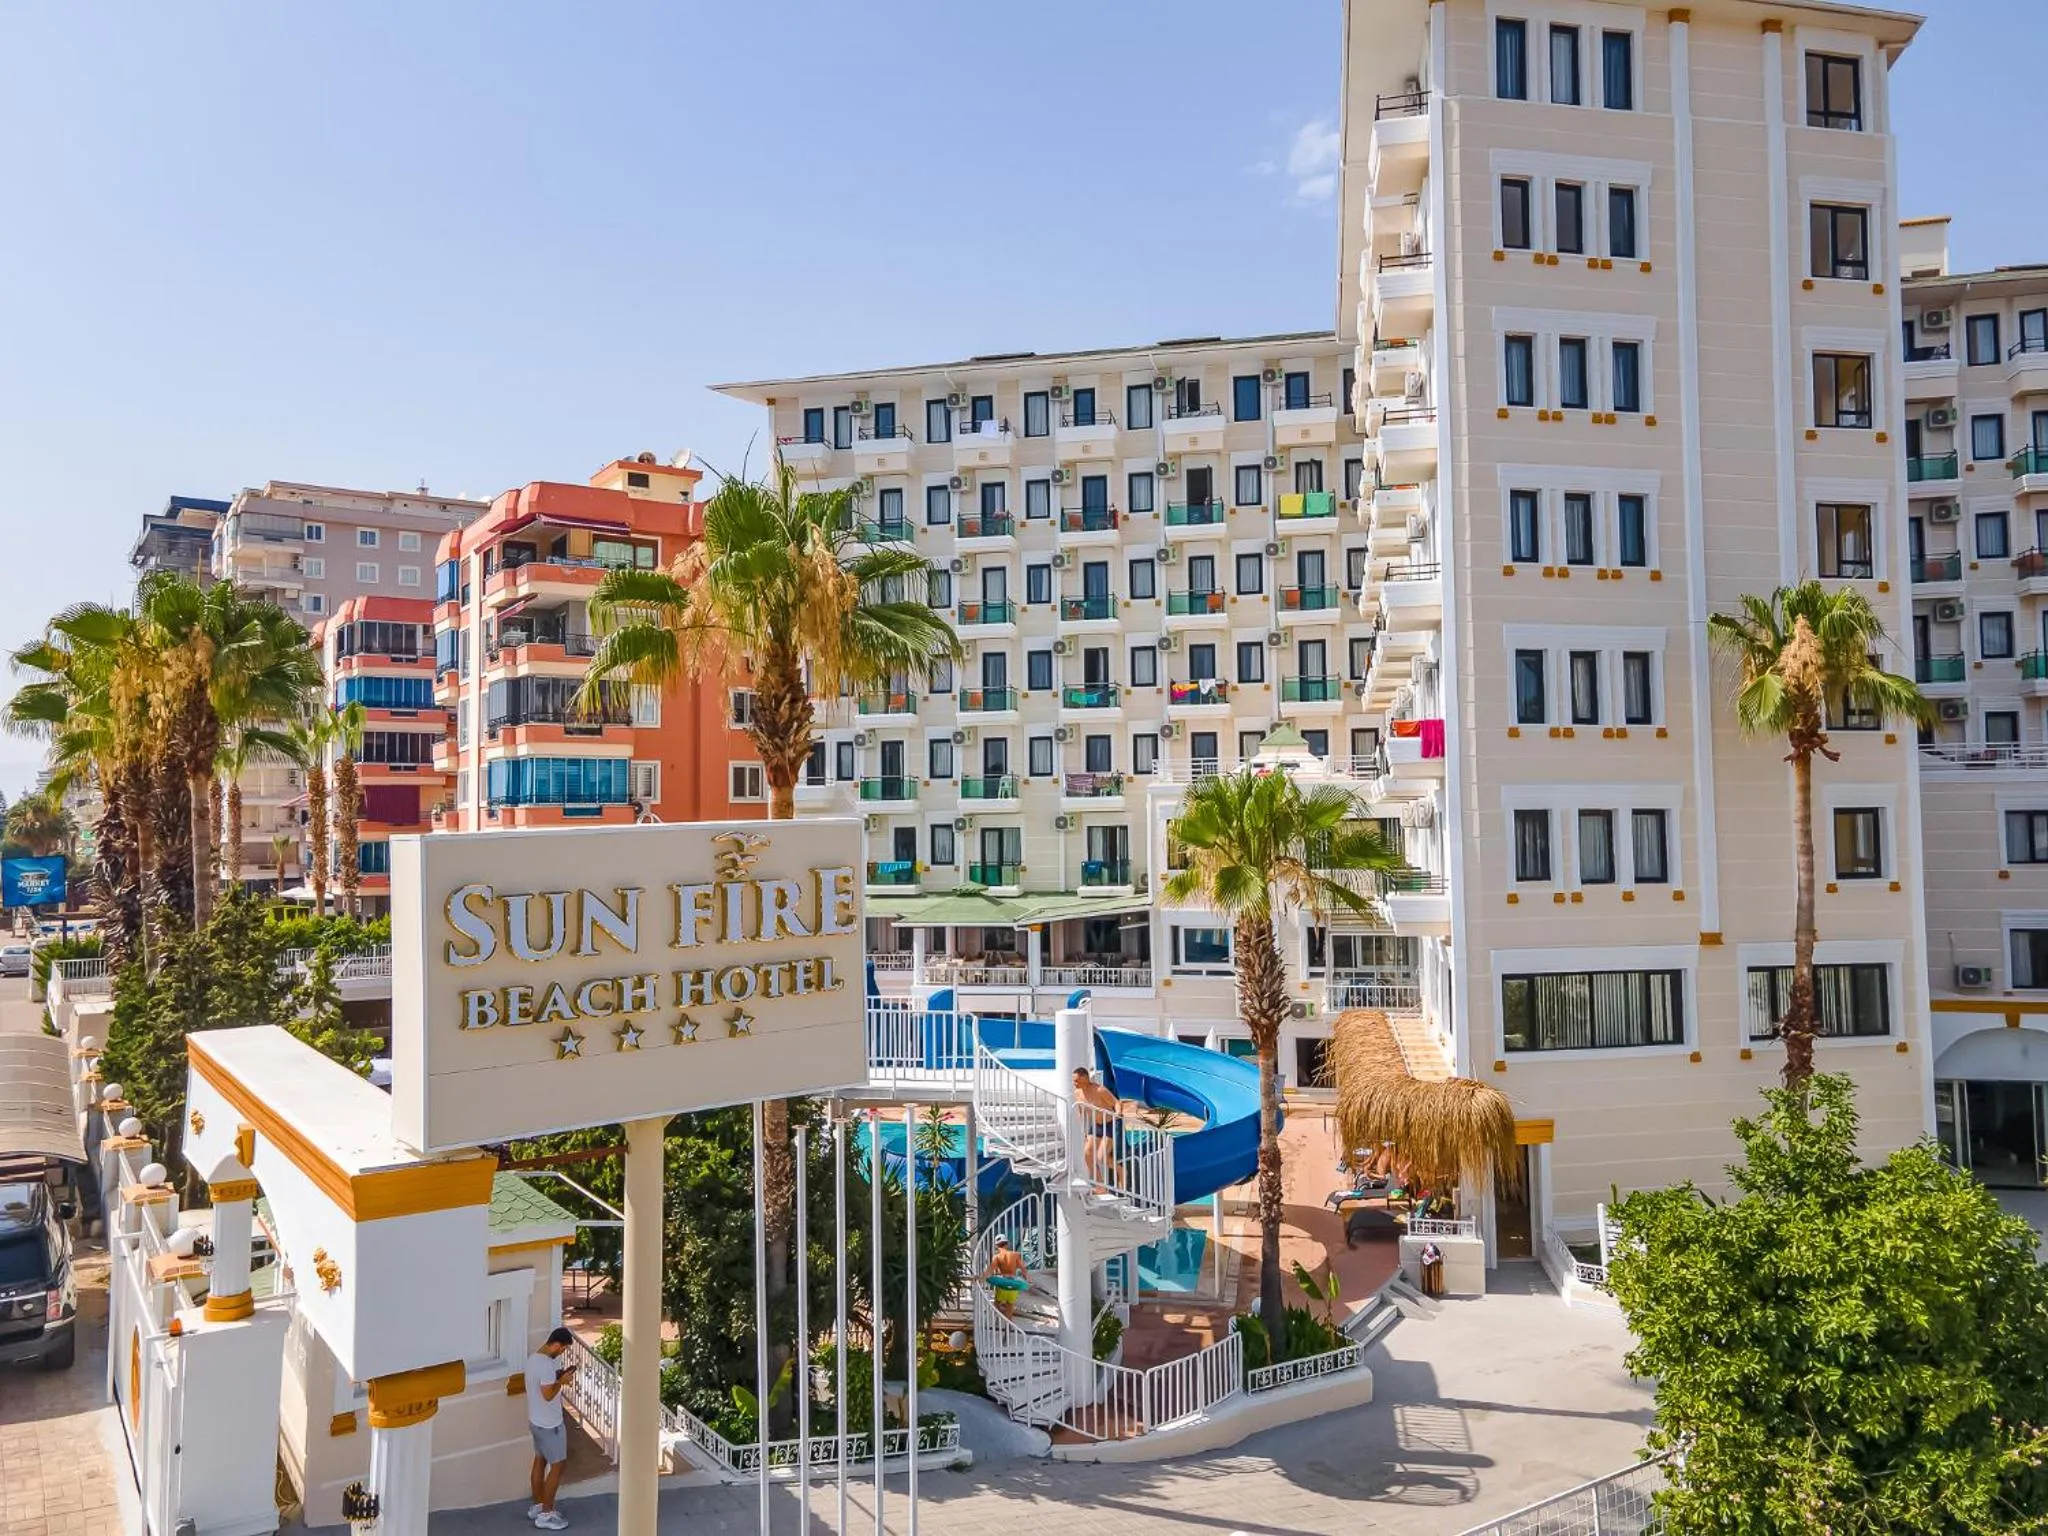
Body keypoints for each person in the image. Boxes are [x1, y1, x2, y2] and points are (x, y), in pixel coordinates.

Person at [525, 1326, 578, 1529]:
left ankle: (539, 1505)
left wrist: (557, 1377)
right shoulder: (547, 1366)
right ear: (556, 1344)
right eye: (563, 1349)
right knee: (558, 1466)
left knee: (540, 1461)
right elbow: (548, 1395)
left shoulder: (533, 1359)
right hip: (550, 1425)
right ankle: (547, 1514)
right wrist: (562, 1381)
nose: (562, 1352)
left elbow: (541, 1385)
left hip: (535, 1421)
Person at [1073, 1068, 1120, 1187]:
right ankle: (1100, 1185)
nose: (1074, 1083)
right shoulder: (1077, 1093)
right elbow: (1081, 1112)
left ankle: (1120, 1170)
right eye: (1073, 1081)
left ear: (1085, 1079)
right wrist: (1083, 1132)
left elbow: (1116, 1103)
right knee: (1088, 1155)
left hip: (1109, 1124)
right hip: (1096, 1125)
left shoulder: (1099, 1090)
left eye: (1077, 1081)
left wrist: (1118, 1113)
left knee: (1101, 1157)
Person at [978, 1234, 1030, 1315]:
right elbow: (1023, 1269)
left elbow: (990, 1270)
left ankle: (996, 1322)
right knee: (1010, 1306)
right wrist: (1027, 1280)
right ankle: (1009, 1325)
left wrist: (981, 1278)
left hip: (1002, 1284)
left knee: (997, 1304)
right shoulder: (1015, 1255)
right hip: (1013, 1284)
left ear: (996, 1246)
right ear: (1007, 1244)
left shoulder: (997, 1257)